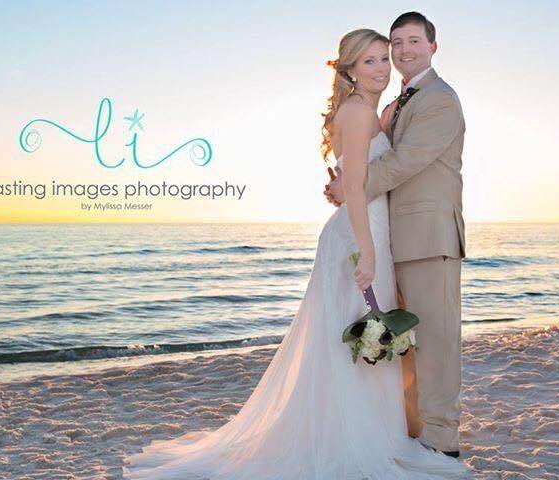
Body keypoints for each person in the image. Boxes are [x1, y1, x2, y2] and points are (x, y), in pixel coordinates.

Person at [123, 27, 469, 479]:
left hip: (402, 234)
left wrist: (346, 187)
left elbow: (394, 166)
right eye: (374, 58)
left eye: (389, 55)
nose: (386, 64)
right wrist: (359, 225)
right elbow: (363, 176)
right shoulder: (371, 111)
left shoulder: (421, 101)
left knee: (384, 339)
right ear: (348, 68)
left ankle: (416, 436)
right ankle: (365, 435)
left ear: (431, 47)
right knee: (361, 337)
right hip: (369, 234)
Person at [325, 12, 467, 458]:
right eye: (395, 44)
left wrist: (350, 185)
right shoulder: (395, 102)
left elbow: (406, 161)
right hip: (392, 240)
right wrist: (348, 184)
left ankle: (441, 440)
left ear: (432, 47)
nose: (402, 52)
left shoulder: (440, 99)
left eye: (412, 42)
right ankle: (413, 430)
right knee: (403, 345)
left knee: (437, 343)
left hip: (428, 238)